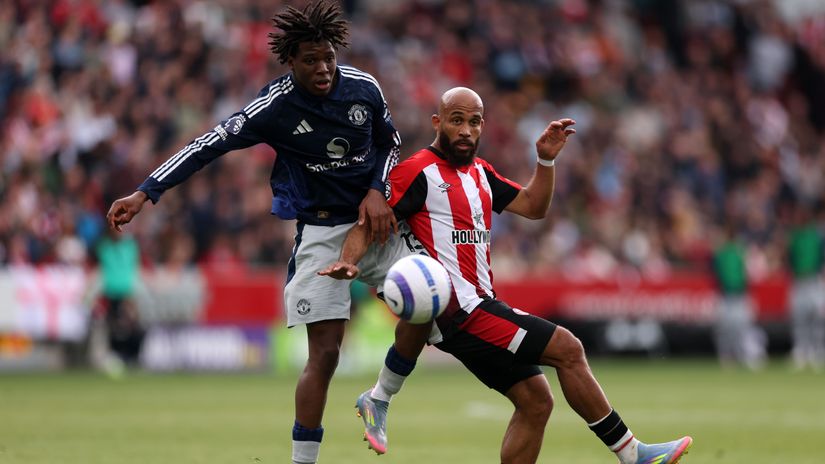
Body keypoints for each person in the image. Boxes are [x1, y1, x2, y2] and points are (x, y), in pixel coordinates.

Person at [320, 87, 693, 464]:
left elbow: (534, 207)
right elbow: (370, 222)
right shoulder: (418, 171)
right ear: (438, 122)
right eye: (457, 120)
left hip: (482, 305)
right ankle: (633, 455)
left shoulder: (481, 174)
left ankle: (379, 397)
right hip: (460, 312)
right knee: (568, 348)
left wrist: (544, 162)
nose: (466, 130)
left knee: (536, 401)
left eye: (474, 122)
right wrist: (349, 260)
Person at [106, 3, 410, 463]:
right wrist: (146, 192)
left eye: (328, 56)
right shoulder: (275, 106)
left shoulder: (363, 87)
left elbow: (392, 142)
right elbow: (206, 144)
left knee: (433, 300)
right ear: (290, 61)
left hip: (377, 221)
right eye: (310, 59)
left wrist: (377, 190)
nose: (323, 67)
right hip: (322, 231)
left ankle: (379, 398)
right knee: (325, 355)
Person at [711, 224, 766, 370]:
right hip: (728, 296)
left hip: (738, 295)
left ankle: (745, 356)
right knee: (727, 328)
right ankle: (728, 358)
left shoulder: (740, 253)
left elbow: (749, 274)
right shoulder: (725, 254)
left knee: (740, 328)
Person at [787, 204, 825, 371]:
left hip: (814, 280)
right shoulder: (795, 237)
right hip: (799, 281)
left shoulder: (817, 236)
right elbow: (791, 259)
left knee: (818, 319)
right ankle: (801, 352)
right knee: (799, 318)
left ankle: (818, 351)